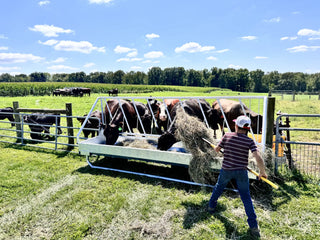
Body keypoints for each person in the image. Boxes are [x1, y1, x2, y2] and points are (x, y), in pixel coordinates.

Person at [208, 115, 267, 238]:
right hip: (241, 172)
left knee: (219, 187)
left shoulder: (227, 136)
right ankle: (254, 226)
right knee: (246, 197)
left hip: (226, 170)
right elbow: (258, 157)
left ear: (236, 126)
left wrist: (218, 149)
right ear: (248, 128)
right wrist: (262, 172)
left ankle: (211, 206)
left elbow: (217, 150)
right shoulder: (249, 141)